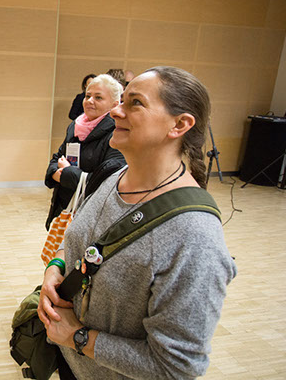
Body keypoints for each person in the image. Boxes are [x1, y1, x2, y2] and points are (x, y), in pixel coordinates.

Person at [38, 67, 237, 379]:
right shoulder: (114, 177)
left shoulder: (195, 237)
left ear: (179, 125)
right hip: (70, 363)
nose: (116, 111)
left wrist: (78, 338)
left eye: (135, 103)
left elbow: (175, 367)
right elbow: (80, 239)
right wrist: (56, 267)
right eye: (121, 101)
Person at [45, 74, 126, 229]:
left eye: (98, 97)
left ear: (115, 104)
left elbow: (106, 183)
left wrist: (66, 173)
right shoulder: (75, 126)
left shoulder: (117, 134)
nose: (89, 101)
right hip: (65, 208)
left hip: (93, 218)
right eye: (87, 96)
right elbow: (57, 159)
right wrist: (55, 172)